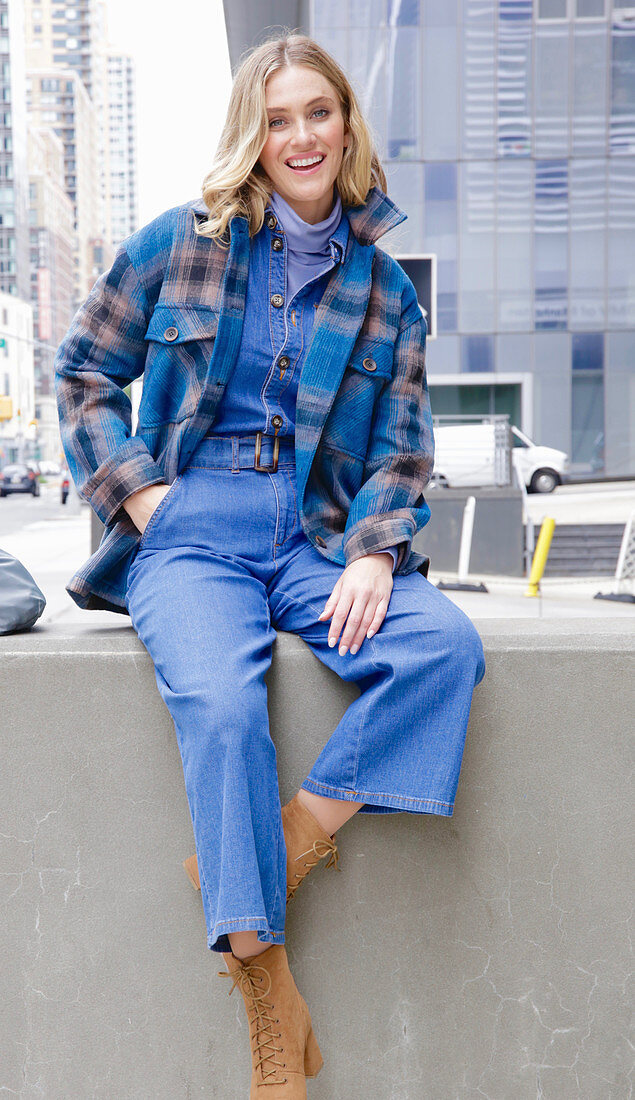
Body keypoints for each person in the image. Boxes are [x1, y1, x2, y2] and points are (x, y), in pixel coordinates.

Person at [54, 31, 486, 1098]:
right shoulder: (183, 243)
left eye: (317, 113)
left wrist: (378, 551)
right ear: (254, 132)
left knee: (443, 646)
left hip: (319, 535)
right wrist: (148, 500)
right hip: (193, 523)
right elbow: (82, 372)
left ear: (346, 127)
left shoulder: (384, 285)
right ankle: (265, 995)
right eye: (278, 117)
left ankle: (285, 840)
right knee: (222, 709)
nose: (299, 136)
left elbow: (403, 441)